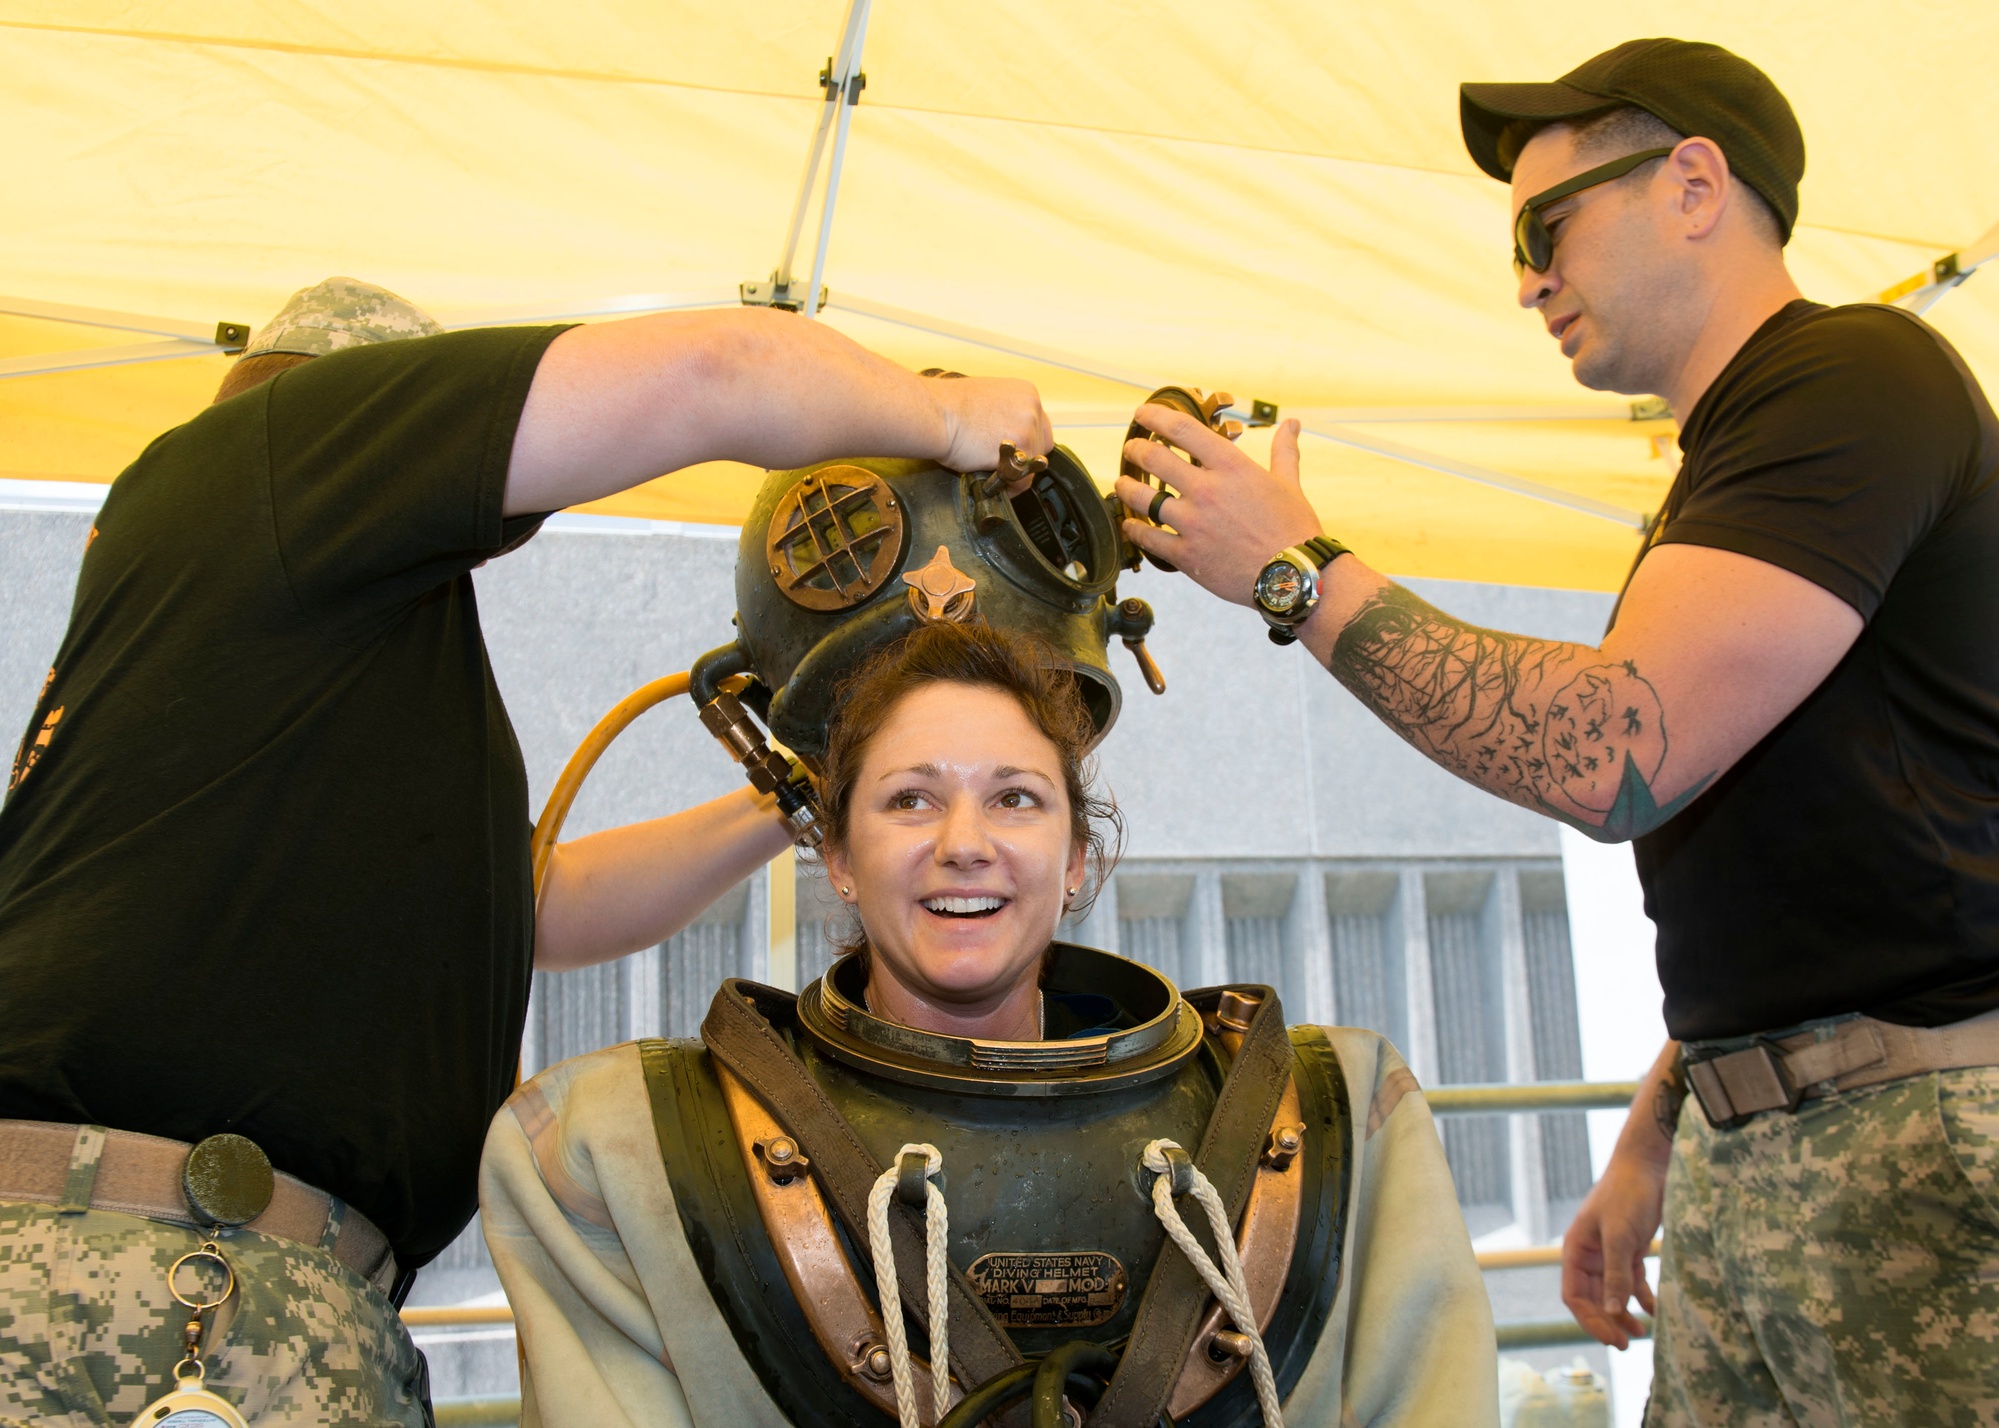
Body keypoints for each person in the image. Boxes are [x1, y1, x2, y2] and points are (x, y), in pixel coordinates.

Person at [1110, 36, 1999, 1426]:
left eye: (1545, 223)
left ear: (1693, 185)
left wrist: (1295, 573)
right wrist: (1663, 1126)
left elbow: (1608, 751)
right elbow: (1808, 858)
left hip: (1914, 1149)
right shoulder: (1736, 464)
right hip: (1761, 1138)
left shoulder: (1852, 379)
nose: (1522, 274)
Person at [0, 276, 1052, 1426]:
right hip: (149, 1291)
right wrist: (951, 420)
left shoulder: (292, 643)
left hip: (238, 1292)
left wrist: (797, 801)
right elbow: (720, 372)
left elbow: (538, 908)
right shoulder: (282, 445)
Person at [481, 619, 1497, 1427]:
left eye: (1014, 799)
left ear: (1075, 863)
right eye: (909, 801)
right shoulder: (616, 1152)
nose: (963, 844)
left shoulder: (1345, 1124)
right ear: (834, 856)